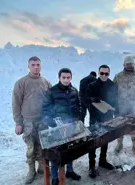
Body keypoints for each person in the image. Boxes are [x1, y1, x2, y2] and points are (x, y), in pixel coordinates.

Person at [12, 56, 52, 184]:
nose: (36, 67)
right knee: (30, 148)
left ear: (41, 66)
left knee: (42, 146)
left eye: (38, 64)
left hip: (42, 121)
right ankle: (31, 171)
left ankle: (41, 168)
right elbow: (16, 103)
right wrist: (18, 123)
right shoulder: (21, 83)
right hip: (28, 121)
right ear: (28, 66)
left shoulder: (46, 82)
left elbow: (50, 102)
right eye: (33, 64)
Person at [42, 68, 82, 185]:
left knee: (70, 149)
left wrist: (77, 119)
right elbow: (45, 109)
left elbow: (79, 106)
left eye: (68, 77)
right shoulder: (51, 91)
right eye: (63, 77)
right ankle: (55, 177)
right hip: (57, 128)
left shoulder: (74, 90)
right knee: (56, 153)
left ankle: (69, 171)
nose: (66, 80)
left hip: (71, 126)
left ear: (71, 78)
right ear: (59, 77)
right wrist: (53, 124)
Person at [86, 65, 117, 178]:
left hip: (108, 117)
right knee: (93, 142)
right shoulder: (92, 85)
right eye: (102, 73)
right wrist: (91, 100)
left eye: (106, 74)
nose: (104, 75)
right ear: (99, 73)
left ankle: (102, 160)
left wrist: (114, 109)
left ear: (109, 73)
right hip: (95, 117)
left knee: (105, 139)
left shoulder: (112, 85)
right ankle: (91, 166)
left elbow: (116, 100)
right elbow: (85, 99)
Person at [113, 56, 135, 153]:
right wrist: (115, 104)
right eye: (127, 64)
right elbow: (113, 91)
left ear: (134, 64)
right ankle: (119, 144)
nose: (129, 66)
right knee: (119, 128)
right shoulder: (118, 76)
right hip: (121, 108)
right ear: (124, 65)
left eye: (131, 64)